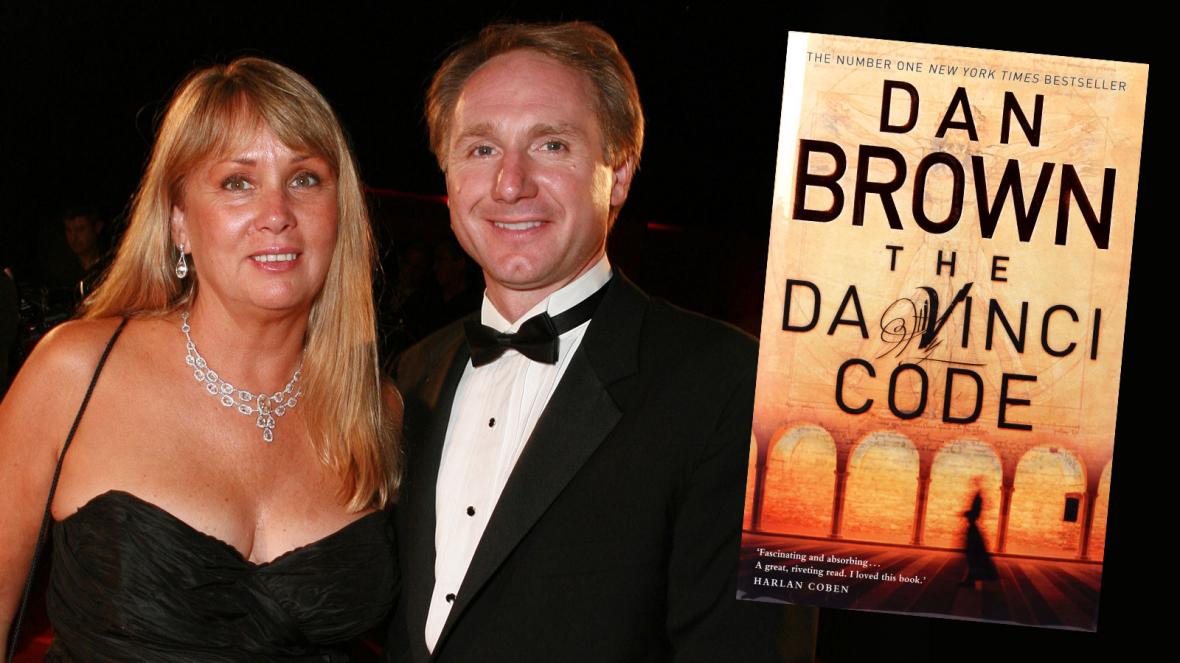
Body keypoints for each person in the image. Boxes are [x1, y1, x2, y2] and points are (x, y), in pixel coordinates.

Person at [389, 22, 786, 662]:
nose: (510, 183)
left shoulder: (728, 385)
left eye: (551, 145)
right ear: (448, 179)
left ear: (618, 174)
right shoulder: (409, 378)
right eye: (481, 149)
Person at [0, 57, 400, 660]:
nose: (277, 214)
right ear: (179, 222)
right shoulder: (75, 373)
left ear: (340, 214)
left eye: (305, 179)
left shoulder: (378, 408)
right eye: (238, 182)